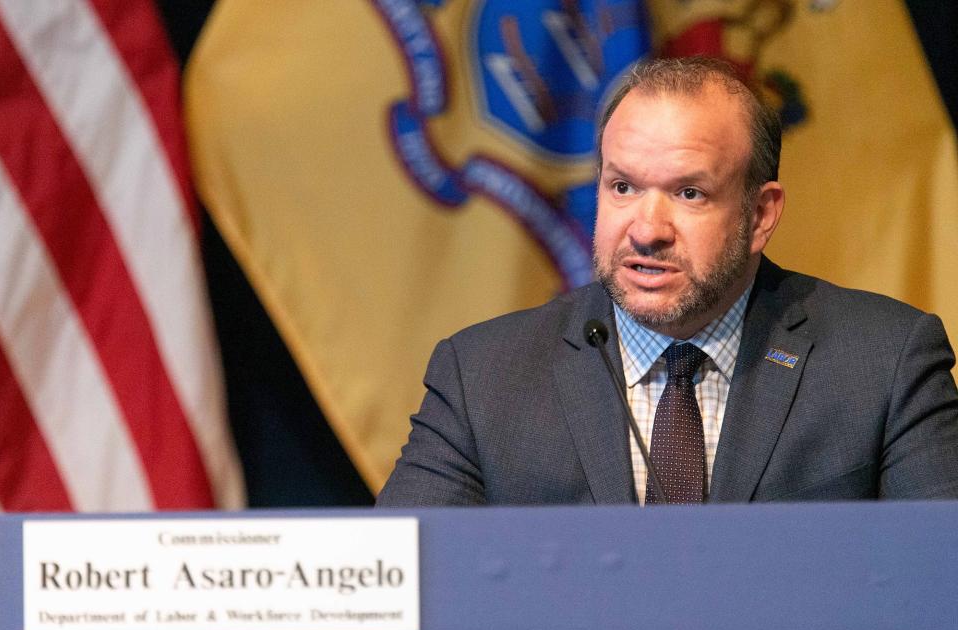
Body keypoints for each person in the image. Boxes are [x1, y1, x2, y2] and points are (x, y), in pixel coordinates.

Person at [376, 57, 958, 507]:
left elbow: (940, 582)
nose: (647, 230)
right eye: (622, 187)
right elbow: (396, 590)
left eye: (689, 193)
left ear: (761, 215)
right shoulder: (484, 376)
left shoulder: (885, 362)